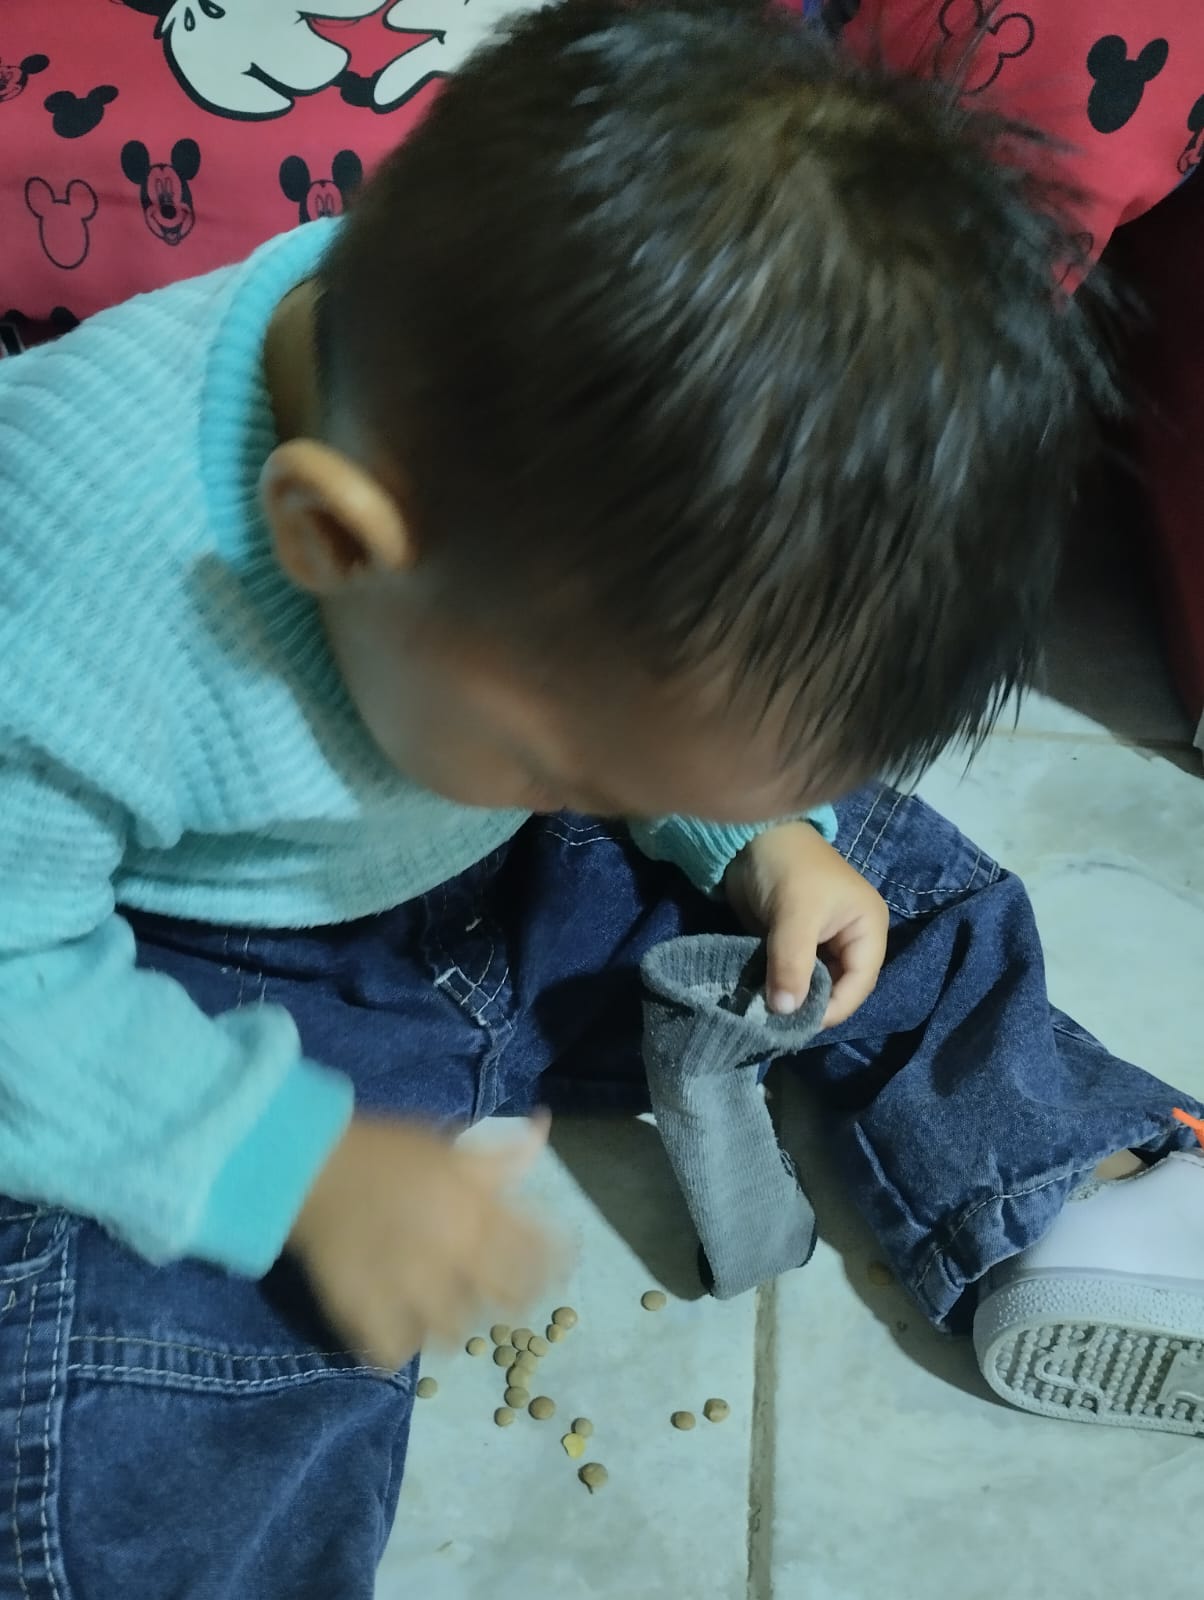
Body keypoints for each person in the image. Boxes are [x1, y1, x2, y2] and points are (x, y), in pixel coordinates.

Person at [0, 3, 1198, 1595]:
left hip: (470, 852)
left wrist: (749, 835)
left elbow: (652, 740)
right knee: (164, 1381)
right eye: (587, 759)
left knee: (877, 888)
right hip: (195, 966)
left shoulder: (524, 515)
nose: (645, 797)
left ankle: (1062, 1182)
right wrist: (285, 1163)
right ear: (333, 540)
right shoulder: (69, 581)